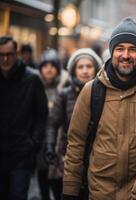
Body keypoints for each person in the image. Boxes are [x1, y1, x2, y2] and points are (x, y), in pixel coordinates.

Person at [62, 17, 136, 199]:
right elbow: (76, 144)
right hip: (100, 192)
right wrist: (70, 190)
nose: (125, 55)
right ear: (111, 52)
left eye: (132, 49)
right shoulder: (92, 91)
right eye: (120, 48)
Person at [45, 48, 102, 200]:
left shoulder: (104, 94)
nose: (85, 71)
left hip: (97, 160)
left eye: (89, 66)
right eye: (80, 67)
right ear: (73, 70)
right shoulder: (64, 95)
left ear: (96, 68)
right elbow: (52, 123)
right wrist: (50, 146)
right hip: (67, 158)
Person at [0, 35, 48, 200]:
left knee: (18, 195)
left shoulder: (32, 79)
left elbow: (42, 114)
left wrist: (33, 142)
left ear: (17, 54)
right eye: (1, 55)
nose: (5, 59)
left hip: (22, 154)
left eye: (9, 54)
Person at [36, 48, 69, 200]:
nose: (48, 69)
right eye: (45, 66)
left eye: (52, 66)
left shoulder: (65, 86)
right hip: (40, 141)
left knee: (58, 184)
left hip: (60, 140)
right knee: (42, 179)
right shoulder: (35, 85)